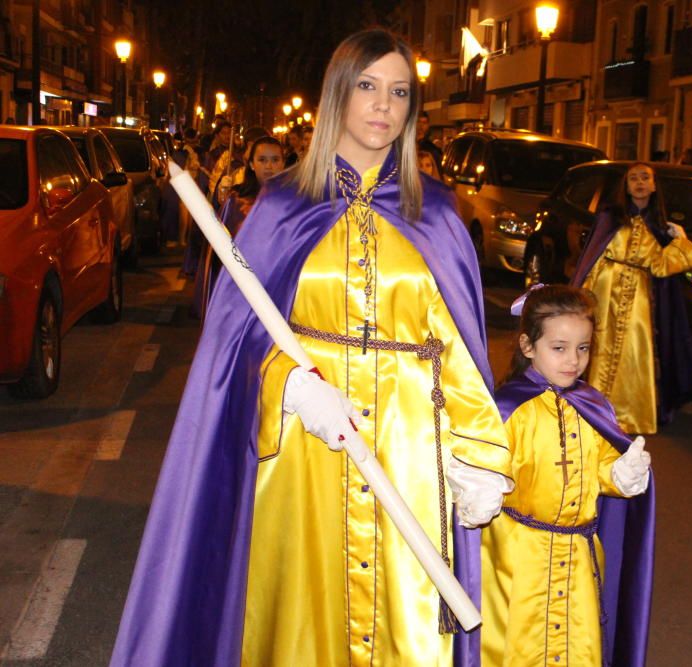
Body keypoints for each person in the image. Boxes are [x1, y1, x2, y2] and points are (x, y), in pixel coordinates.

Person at [111, 28, 514, 667]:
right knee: (299, 618)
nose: (384, 105)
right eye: (367, 86)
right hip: (304, 448)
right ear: (336, 96)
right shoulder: (281, 204)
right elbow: (234, 342)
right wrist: (289, 383)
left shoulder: (437, 212)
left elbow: (457, 346)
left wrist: (481, 453)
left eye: (400, 92)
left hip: (409, 452)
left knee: (406, 627)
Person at [482, 285, 655, 667]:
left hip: (577, 556)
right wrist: (482, 482)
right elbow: (485, 466)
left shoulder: (593, 405)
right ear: (528, 346)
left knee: (576, 647)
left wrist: (620, 474)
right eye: (559, 348)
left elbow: (601, 464)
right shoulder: (509, 409)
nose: (573, 360)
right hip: (519, 558)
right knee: (516, 648)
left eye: (583, 347)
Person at [572, 162, 692, 435]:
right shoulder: (610, 217)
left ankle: (628, 414)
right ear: (626, 185)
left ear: (654, 186)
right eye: (634, 178)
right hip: (605, 291)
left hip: (639, 297)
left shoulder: (658, 227)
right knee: (599, 346)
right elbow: (593, 257)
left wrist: (680, 240)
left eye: (645, 178)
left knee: (634, 353)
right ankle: (595, 409)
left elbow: (660, 265)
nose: (640, 183)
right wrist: (583, 294)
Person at [191, 135, 285, 318]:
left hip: (281, 288)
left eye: (275, 160)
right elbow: (220, 250)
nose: (269, 166)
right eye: (262, 160)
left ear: (283, 163)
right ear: (251, 164)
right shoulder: (237, 201)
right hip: (243, 292)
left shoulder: (294, 201)